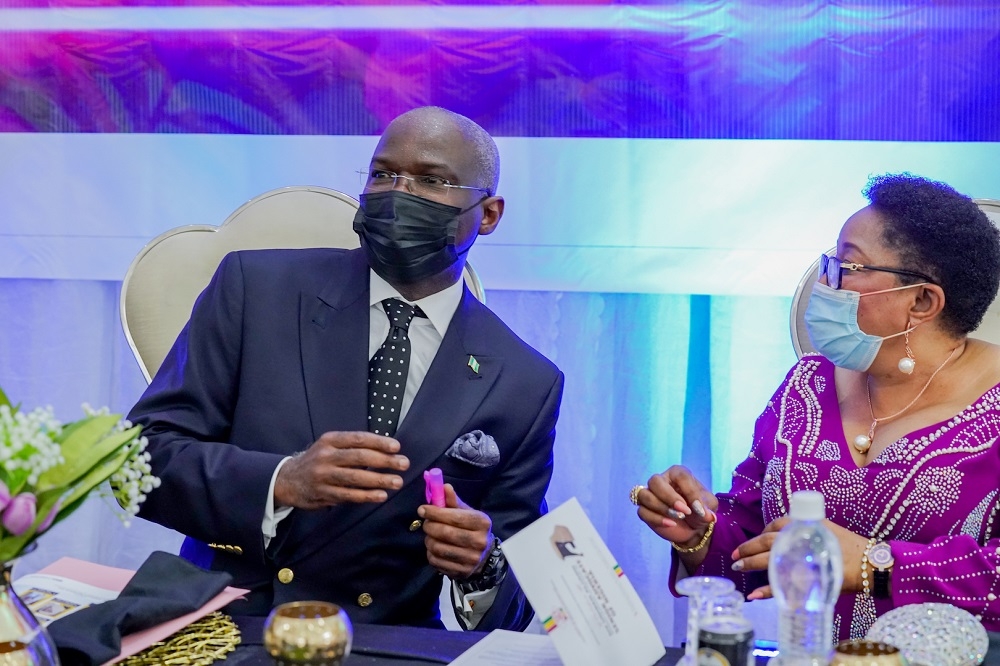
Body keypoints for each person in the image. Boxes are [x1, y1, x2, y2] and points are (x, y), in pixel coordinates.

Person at [127, 106, 564, 631]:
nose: (398, 195)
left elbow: (515, 605)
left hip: (385, 644)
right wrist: (280, 482)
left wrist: (482, 563)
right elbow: (141, 461)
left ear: (488, 214)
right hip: (230, 625)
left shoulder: (524, 382)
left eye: (431, 181)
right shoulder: (255, 289)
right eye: (383, 174)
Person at [633, 173, 1000, 641]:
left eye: (847, 268)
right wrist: (699, 534)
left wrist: (876, 564)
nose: (826, 284)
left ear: (922, 300)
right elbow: (755, 548)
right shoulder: (807, 385)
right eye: (830, 263)